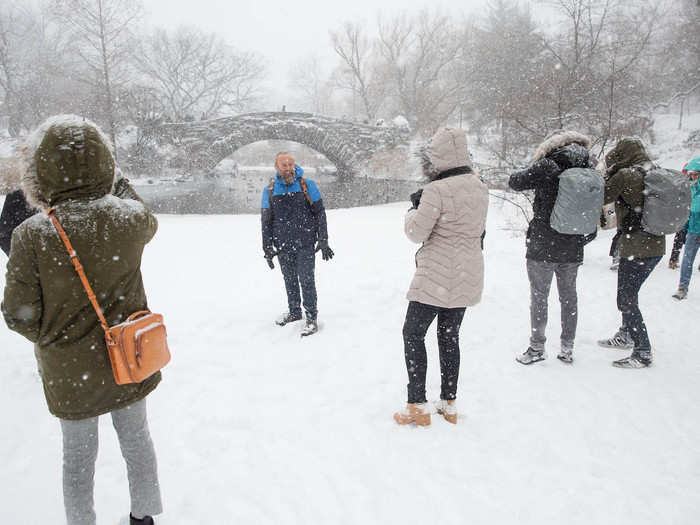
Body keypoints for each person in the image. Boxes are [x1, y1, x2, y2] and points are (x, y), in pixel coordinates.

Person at [1, 115, 163, 525]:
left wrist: (55, 338)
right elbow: (144, 213)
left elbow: (17, 314)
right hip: (128, 357)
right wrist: (116, 179)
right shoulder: (127, 220)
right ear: (105, 165)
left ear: (39, 173)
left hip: (70, 371)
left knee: (77, 459)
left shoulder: (32, 234)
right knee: (137, 443)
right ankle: (143, 518)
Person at [393, 128, 488, 426]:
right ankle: (449, 404)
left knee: (413, 333)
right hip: (466, 272)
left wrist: (414, 208)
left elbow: (416, 232)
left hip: (435, 274)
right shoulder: (479, 186)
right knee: (449, 337)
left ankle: (417, 405)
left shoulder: (436, 191)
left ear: (438, 156)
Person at [508, 130, 597, 365]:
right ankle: (567, 348)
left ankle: (537, 347)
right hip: (574, 245)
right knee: (569, 297)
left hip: (543, 243)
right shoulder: (590, 167)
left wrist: (537, 164)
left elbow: (515, 182)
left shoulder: (549, 164)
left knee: (539, 297)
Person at [597, 137, 664, 368]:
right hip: (656, 245)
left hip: (636, 246)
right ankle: (626, 334)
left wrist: (610, 170)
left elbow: (603, 196)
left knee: (626, 298)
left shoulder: (626, 175)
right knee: (629, 294)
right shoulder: (654, 171)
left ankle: (643, 351)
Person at [261, 152, 333, 336]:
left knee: (306, 280)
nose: (287, 167)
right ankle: (294, 312)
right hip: (283, 245)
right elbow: (266, 220)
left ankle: (311, 318)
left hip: (305, 242)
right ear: (277, 167)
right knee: (290, 280)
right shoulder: (269, 190)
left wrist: (323, 238)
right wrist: (267, 247)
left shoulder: (307, 185)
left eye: (290, 163)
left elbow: (320, 213)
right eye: (283, 164)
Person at [672, 156, 700, 300]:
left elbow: (695, 207)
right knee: (687, 260)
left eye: (696, 174)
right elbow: (688, 209)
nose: (693, 177)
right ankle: (682, 288)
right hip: (694, 231)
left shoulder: (692, 190)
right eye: (691, 174)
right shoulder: (690, 188)